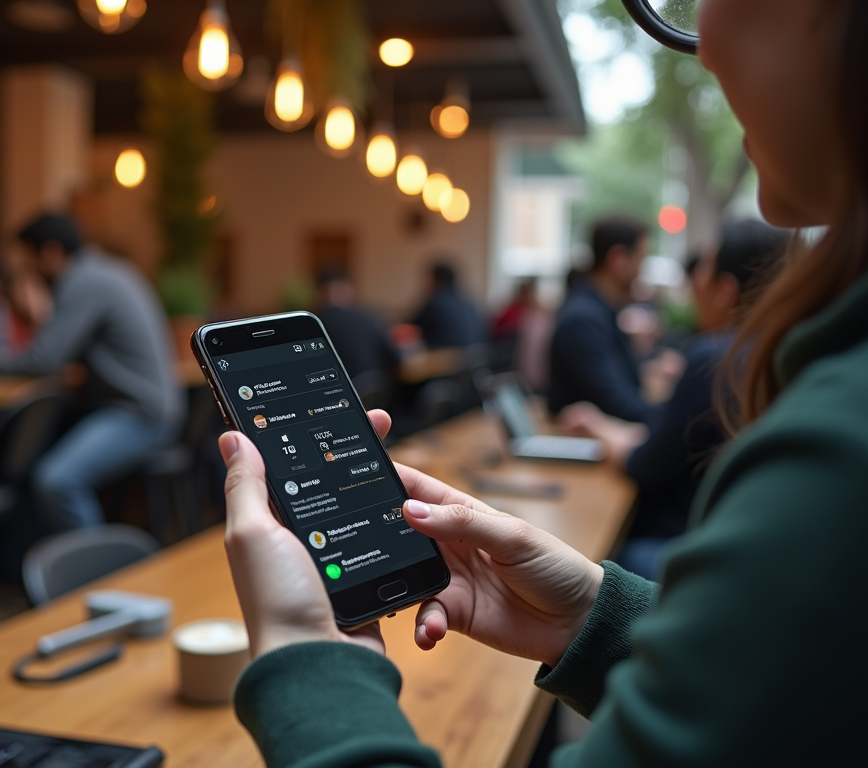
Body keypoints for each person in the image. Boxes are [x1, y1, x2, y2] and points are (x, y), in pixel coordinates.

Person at [214, 0, 868, 765]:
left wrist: (304, 652)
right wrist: (595, 619)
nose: (700, 37)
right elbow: (787, 712)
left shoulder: (839, 449)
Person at [560, 220, 789, 579]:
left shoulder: (716, 358)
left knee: (587, 550)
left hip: (690, 545)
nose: (694, 280)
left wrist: (605, 430)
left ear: (725, 291)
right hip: (756, 555)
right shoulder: (782, 354)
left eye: (704, 269)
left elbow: (645, 467)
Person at [0, 213, 181, 529]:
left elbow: (43, 360)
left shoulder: (84, 281)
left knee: (56, 480)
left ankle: (95, 571)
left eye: (28, 260)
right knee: (39, 450)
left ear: (51, 252)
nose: (27, 271)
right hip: (150, 408)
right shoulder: (109, 271)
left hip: (141, 416)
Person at [547, 216, 662, 424]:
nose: (642, 272)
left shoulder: (597, 311)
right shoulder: (583, 320)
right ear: (618, 259)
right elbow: (618, 404)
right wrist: (677, 415)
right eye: (641, 260)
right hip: (585, 450)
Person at [314, 269, 399, 381]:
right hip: (376, 387)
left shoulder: (317, 321)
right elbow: (394, 354)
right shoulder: (369, 316)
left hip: (341, 389)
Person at [410, 262, 486, 349]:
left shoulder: (436, 302)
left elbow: (412, 327)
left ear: (436, 279)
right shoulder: (469, 302)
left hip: (446, 358)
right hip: (476, 358)